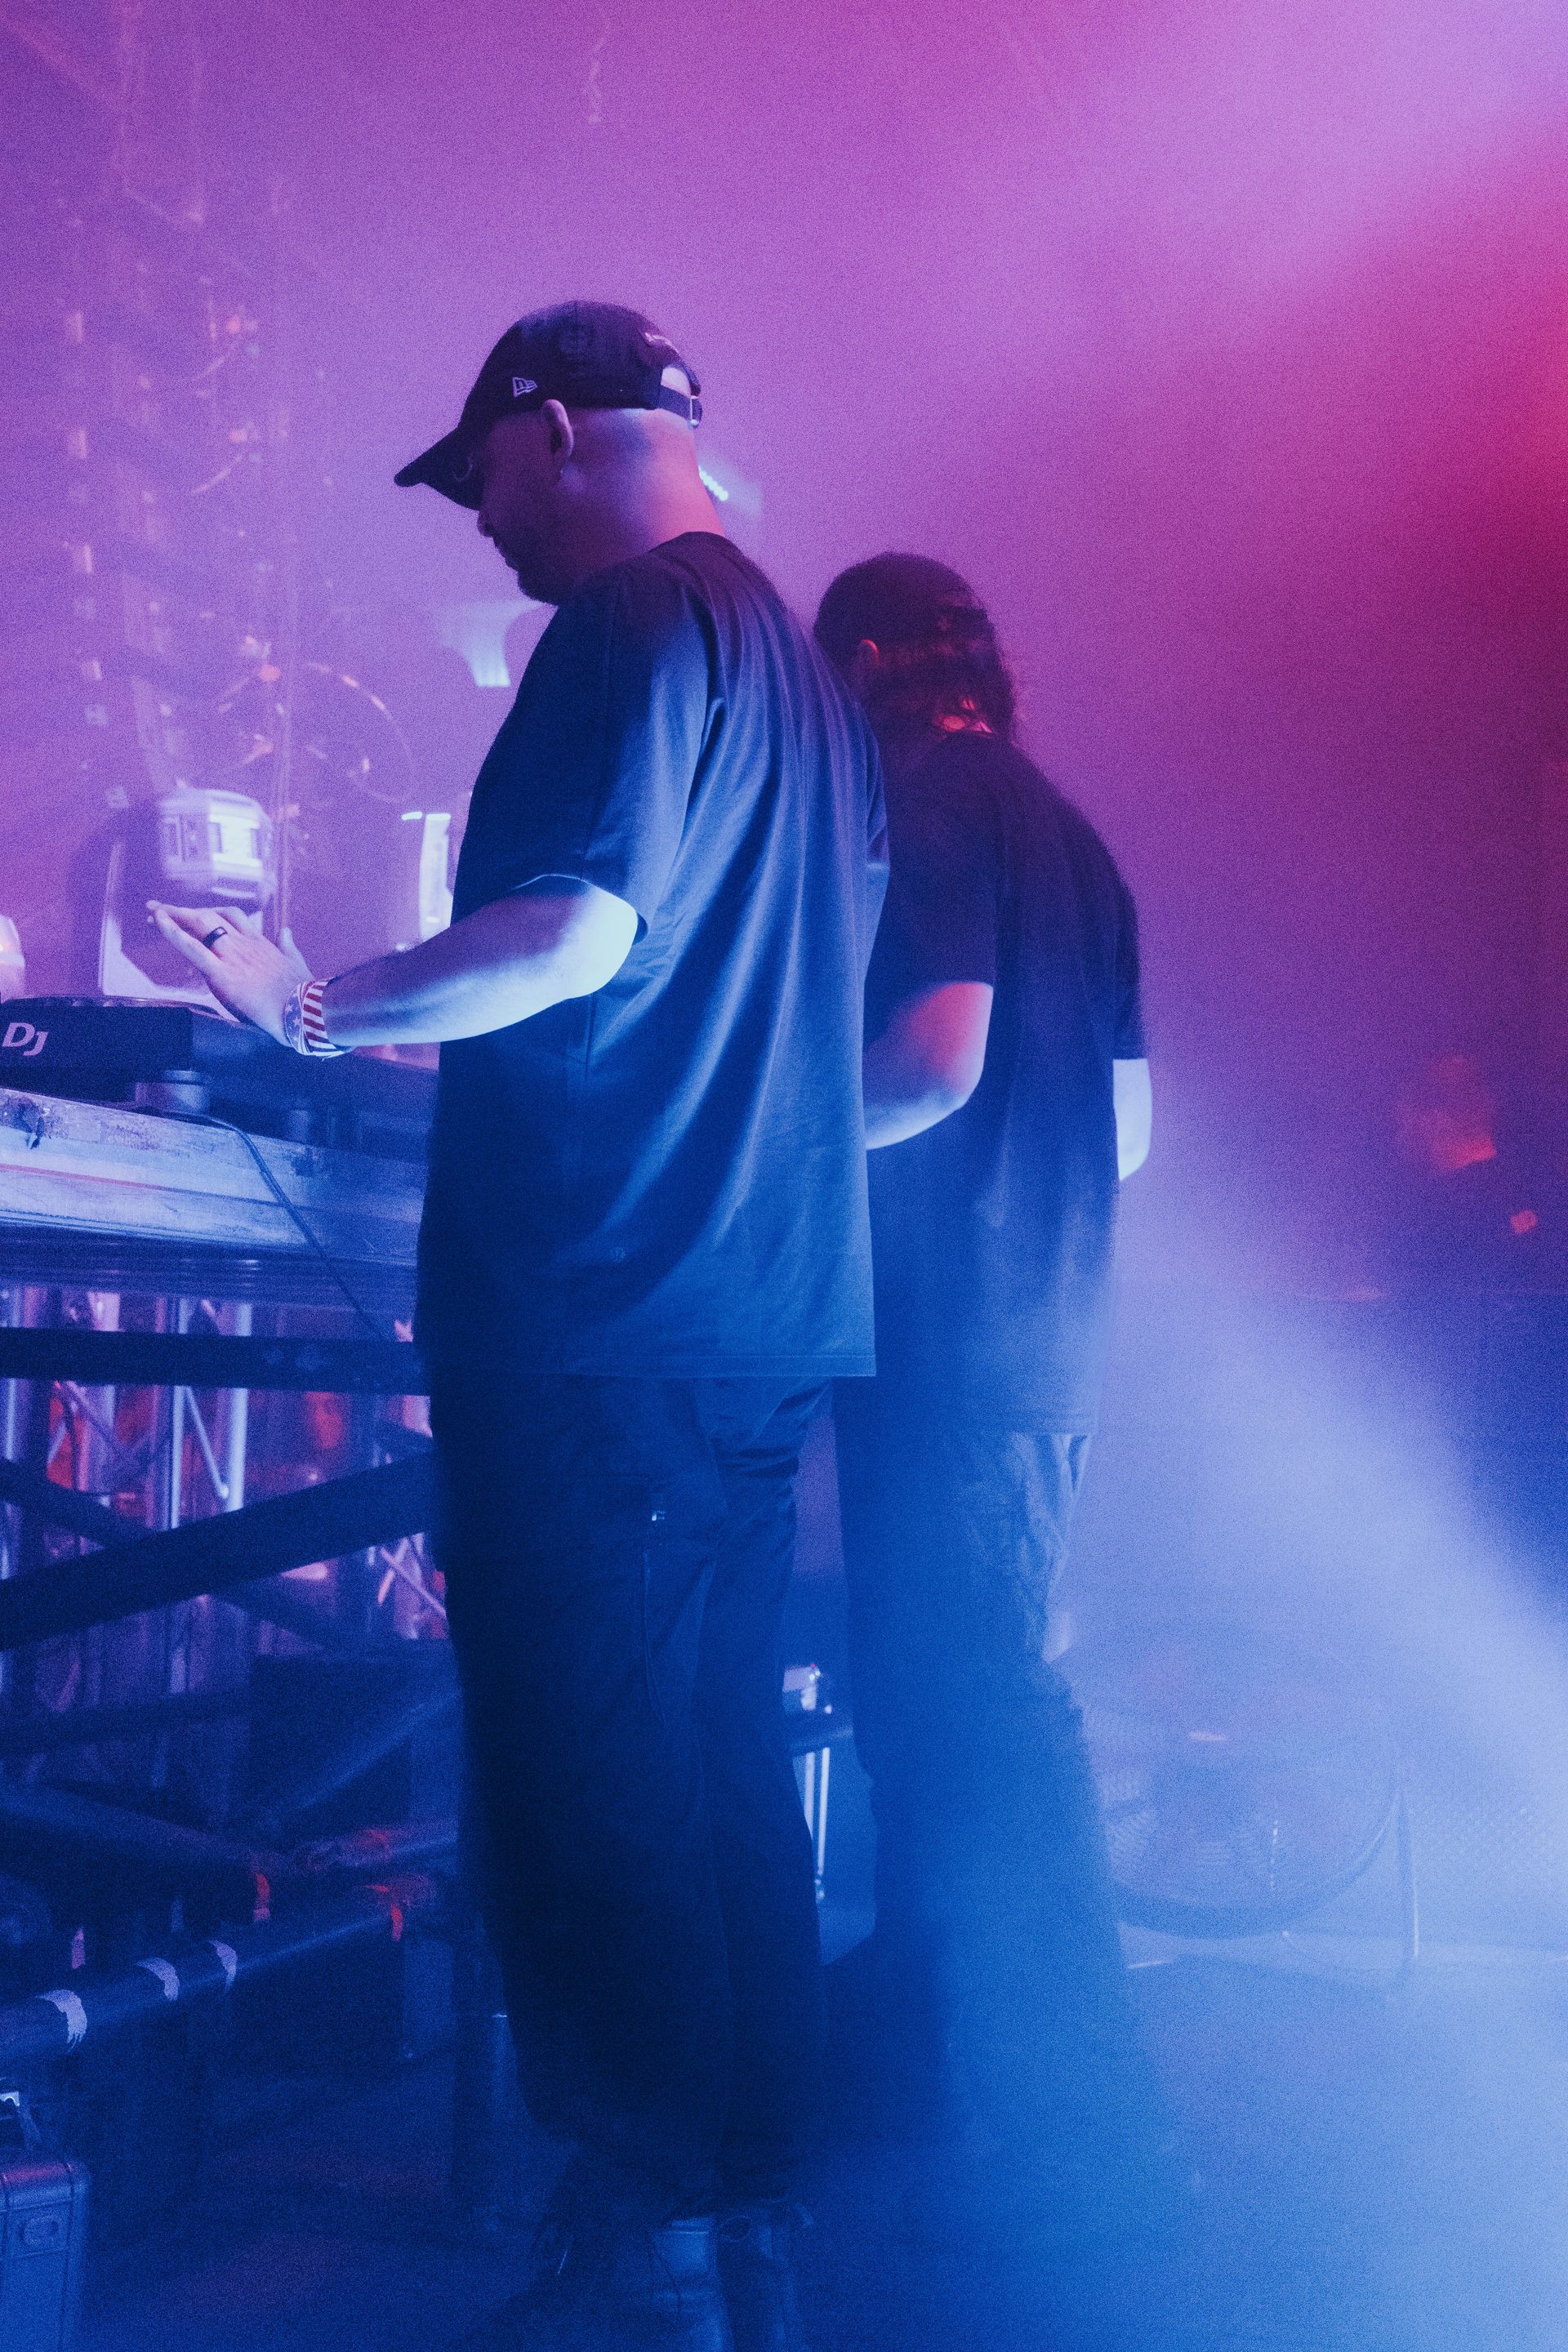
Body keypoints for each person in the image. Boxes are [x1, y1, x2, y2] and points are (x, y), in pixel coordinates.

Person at [153, 301, 887, 2352]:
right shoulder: (809, 678)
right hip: (754, 1315)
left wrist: (308, 1003)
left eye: (479, 479)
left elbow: (577, 935)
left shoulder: (632, 628)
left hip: (601, 1311)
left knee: (590, 1791)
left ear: (550, 430)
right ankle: (743, 2230)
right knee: (724, 1770)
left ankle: (644, 2255)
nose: (480, 527)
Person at [813, 555, 1165, 2248]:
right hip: (1046, 1340)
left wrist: (768, 1150)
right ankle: (928, 2065)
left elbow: (939, 1057)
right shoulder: (1073, 835)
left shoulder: (934, 804)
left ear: (869, 662)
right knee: (939, 1710)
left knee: (983, 1724)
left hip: (949, 1338)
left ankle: (1091, 2134)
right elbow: (1136, 1131)